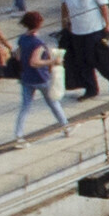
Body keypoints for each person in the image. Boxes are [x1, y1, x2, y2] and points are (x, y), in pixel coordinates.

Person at [5, 9, 65, 141]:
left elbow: (19, 56)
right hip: (41, 78)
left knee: (25, 107)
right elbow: (35, 62)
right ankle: (65, 126)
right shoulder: (38, 43)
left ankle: (18, 134)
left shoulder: (21, 39)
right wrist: (54, 61)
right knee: (54, 103)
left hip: (26, 78)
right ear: (38, 24)